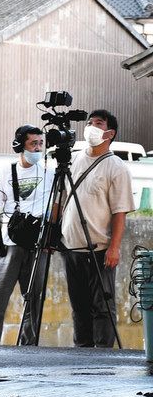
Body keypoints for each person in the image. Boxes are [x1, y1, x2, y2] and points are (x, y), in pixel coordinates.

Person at [60, 110, 135, 347]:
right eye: (90, 123)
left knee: (102, 307)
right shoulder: (73, 158)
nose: (91, 127)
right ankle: (81, 353)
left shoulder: (117, 167)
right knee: (78, 307)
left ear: (110, 133)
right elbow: (60, 199)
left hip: (99, 248)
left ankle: (103, 357)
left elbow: (119, 212)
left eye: (98, 123)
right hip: (70, 247)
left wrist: (114, 248)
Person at [0, 125, 54, 345]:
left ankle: (28, 347)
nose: (38, 148)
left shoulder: (49, 173)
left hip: (37, 243)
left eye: (41, 143)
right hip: (9, 242)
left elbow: (56, 206)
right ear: (20, 145)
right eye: (33, 144)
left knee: (34, 302)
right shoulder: (4, 172)